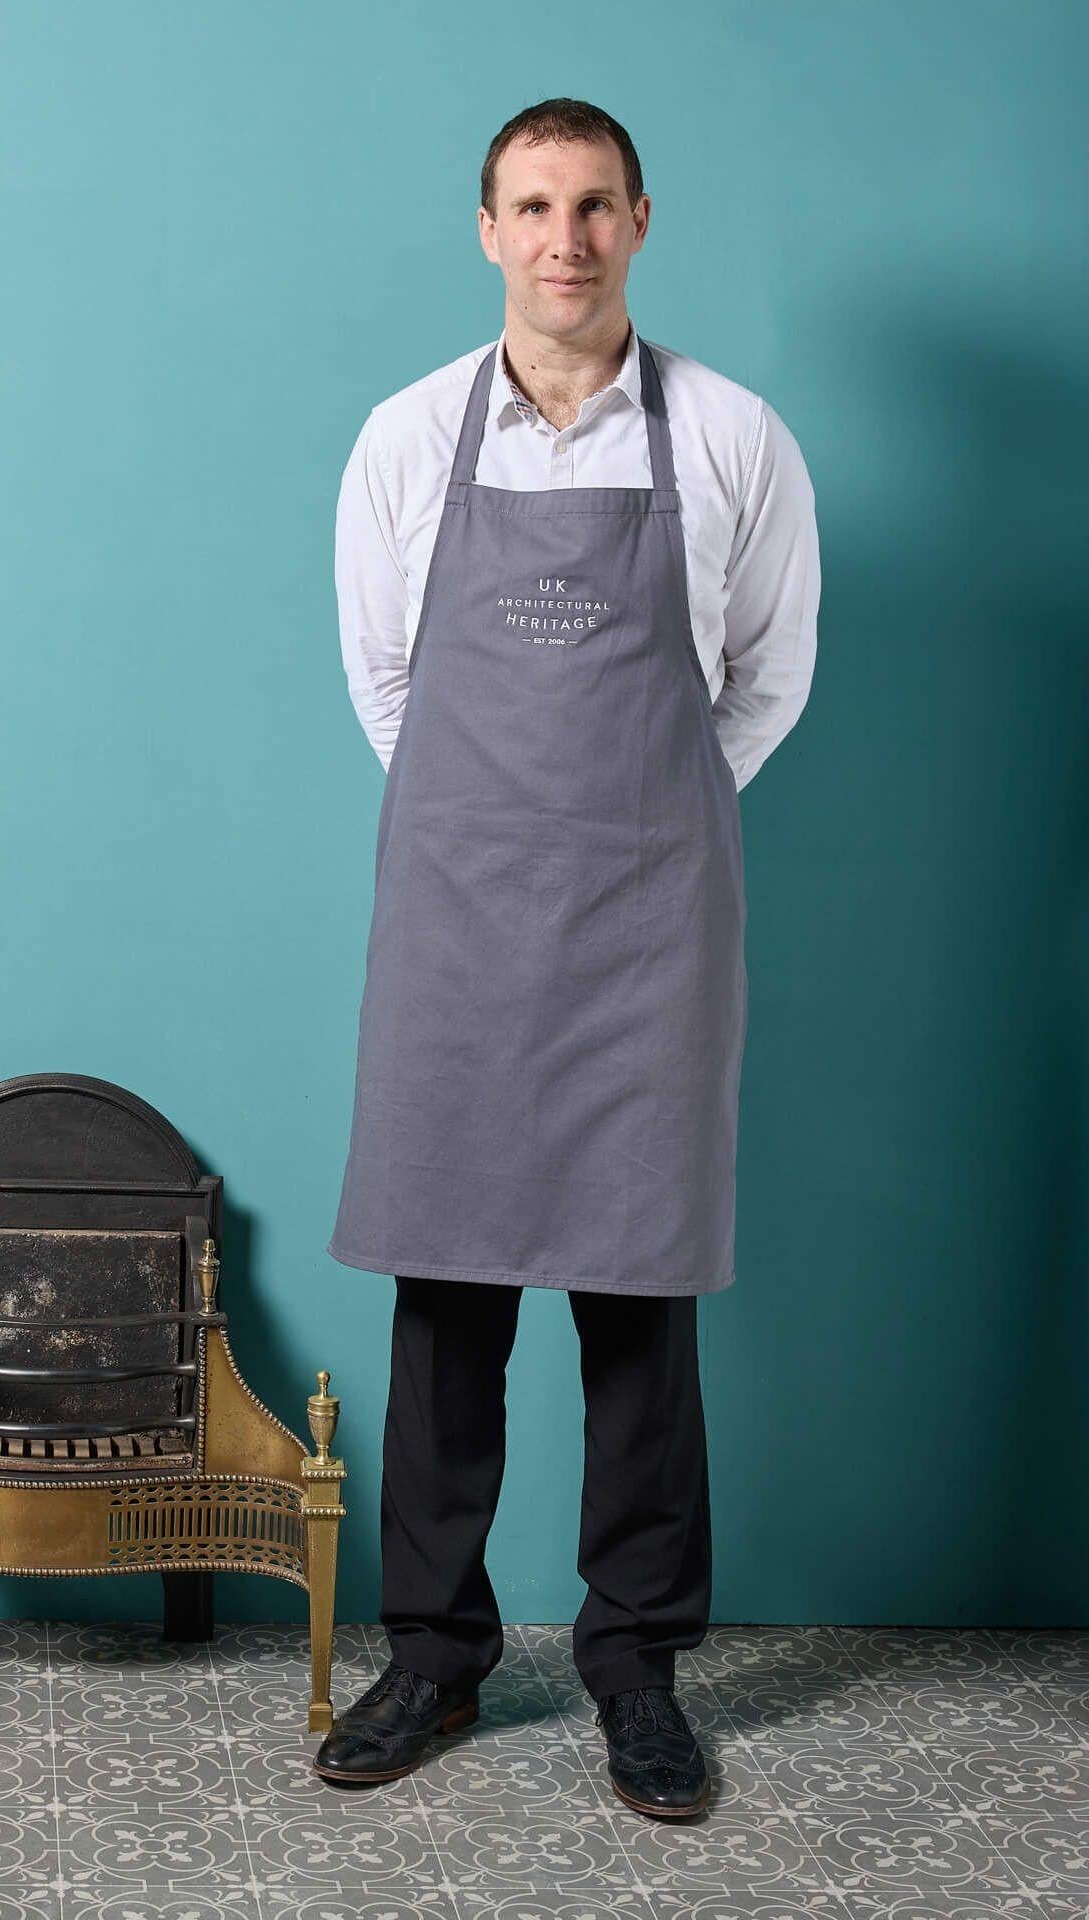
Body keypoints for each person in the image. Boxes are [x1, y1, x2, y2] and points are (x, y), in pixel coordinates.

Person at [318, 98, 820, 1818]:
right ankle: (435, 1655)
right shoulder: (403, 438)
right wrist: (495, 830)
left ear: (640, 221)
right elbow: (388, 684)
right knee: (445, 1295)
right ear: (486, 229)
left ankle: (635, 1667)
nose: (565, 240)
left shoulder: (736, 436)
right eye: (532, 207)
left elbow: (766, 679)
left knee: (636, 1301)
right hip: (461, 917)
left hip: (647, 927)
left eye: (594, 206)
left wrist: (646, 822)